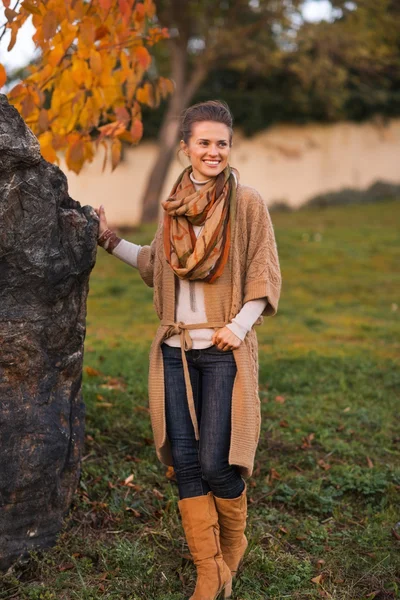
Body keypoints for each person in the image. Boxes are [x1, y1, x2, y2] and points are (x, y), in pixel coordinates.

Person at [94, 100, 282, 600]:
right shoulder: (174, 206)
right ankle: (208, 570)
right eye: (204, 142)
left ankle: (232, 546)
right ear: (185, 148)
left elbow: (264, 273)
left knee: (218, 463)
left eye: (221, 142)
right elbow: (159, 265)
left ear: (229, 147)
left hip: (223, 348)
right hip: (176, 348)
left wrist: (239, 327)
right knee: (185, 459)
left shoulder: (247, 204)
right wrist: (108, 239)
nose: (213, 151)